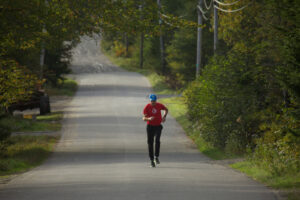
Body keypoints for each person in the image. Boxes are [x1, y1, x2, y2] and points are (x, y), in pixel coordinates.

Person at [143, 94, 168, 168]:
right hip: (150, 126)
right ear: (150, 100)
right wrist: (149, 118)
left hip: (158, 126)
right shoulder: (147, 107)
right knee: (150, 143)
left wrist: (164, 117)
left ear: (156, 100)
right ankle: (151, 160)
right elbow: (143, 118)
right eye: (152, 101)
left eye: (154, 101)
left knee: (157, 140)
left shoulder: (159, 105)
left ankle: (156, 156)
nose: (153, 102)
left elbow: (166, 109)